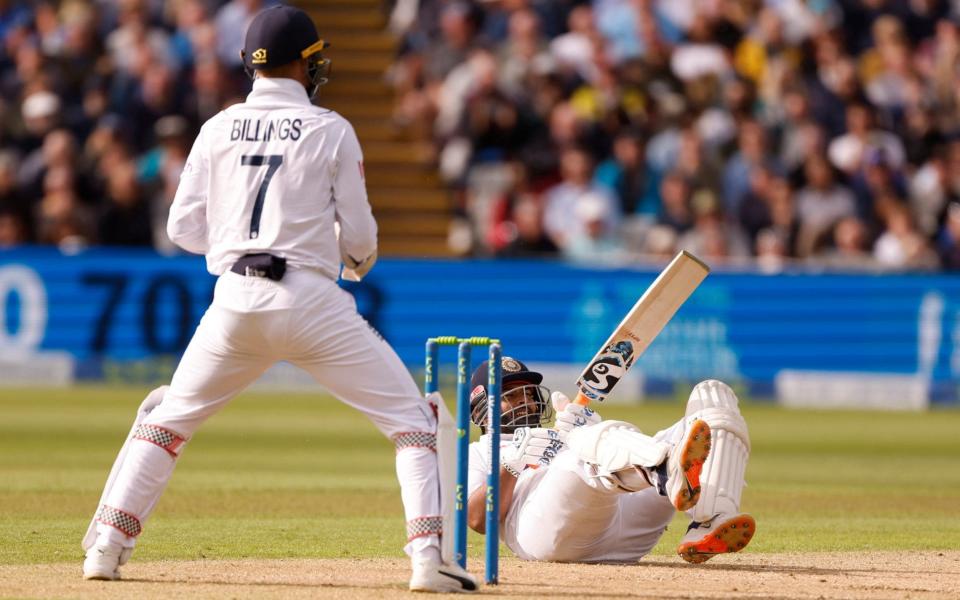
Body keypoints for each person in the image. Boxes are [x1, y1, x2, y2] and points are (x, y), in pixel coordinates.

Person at [81, 6, 477, 593]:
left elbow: (182, 230)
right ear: (305, 62)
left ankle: (106, 551)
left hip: (234, 300)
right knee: (414, 426)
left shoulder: (217, 126)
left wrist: (241, 239)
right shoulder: (331, 127)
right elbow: (361, 238)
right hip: (312, 298)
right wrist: (354, 260)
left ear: (250, 64)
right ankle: (427, 562)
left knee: (166, 424)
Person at [466, 357, 754, 564]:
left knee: (712, 397)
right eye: (512, 396)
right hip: (546, 537)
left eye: (528, 394)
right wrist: (512, 465)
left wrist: (574, 433)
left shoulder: (558, 430)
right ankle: (664, 470)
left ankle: (710, 521)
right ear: (481, 409)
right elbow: (478, 520)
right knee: (582, 447)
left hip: (622, 526)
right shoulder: (478, 453)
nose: (526, 402)